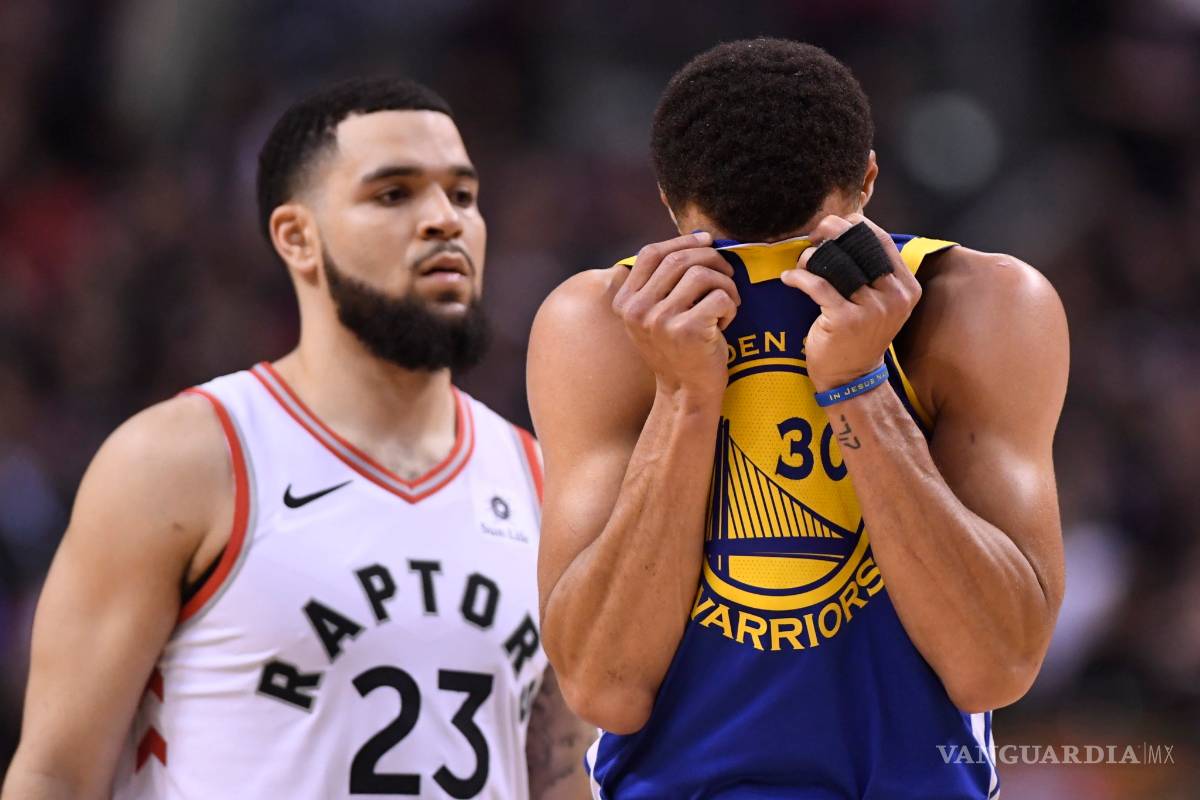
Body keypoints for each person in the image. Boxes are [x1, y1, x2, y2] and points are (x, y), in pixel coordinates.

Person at [2, 76, 589, 800]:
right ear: (297, 237)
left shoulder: (539, 481)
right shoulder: (183, 459)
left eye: (463, 195)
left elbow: (560, 774)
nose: (445, 220)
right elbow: (56, 774)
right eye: (394, 193)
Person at [529, 39, 1068, 799]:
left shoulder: (593, 321)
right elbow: (606, 687)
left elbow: (994, 667)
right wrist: (685, 400)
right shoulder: (988, 303)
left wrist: (859, 384)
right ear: (869, 178)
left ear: (665, 197)